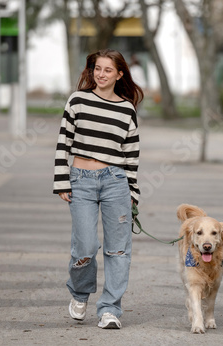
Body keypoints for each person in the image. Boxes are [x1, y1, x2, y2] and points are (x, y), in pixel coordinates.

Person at [53, 49, 143, 329]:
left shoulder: (127, 109)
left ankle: (109, 309)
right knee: (86, 245)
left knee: (118, 249)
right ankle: (80, 294)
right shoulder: (77, 100)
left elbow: (131, 155)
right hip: (80, 179)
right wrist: (62, 180)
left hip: (116, 182)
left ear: (120, 74)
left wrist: (133, 193)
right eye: (97, 68)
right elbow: (63, 142)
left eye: (108, 70)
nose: (101, 74)